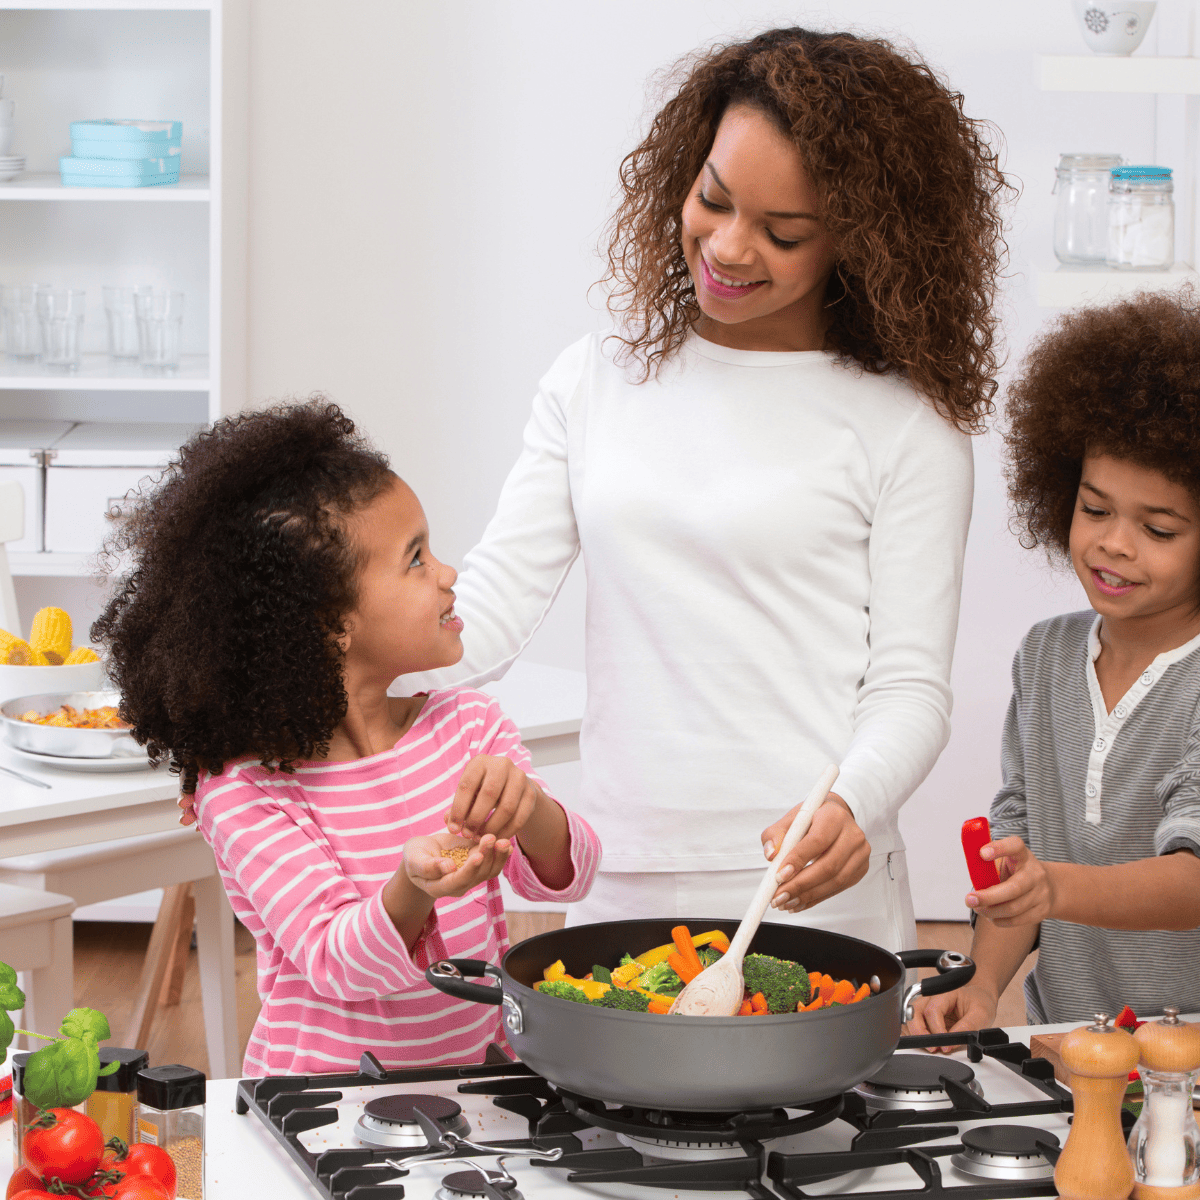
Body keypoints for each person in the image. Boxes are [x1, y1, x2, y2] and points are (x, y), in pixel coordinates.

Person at [388, 26, 1010, 950]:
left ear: (862, 239)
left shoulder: (907, 424)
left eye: (782, 232)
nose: (726, 246)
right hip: (618, 865)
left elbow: (910, 687)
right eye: (712, 199)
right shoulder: (595, 379)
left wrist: (852, 799)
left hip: (808, 876)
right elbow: (484, 618)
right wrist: (280, 710)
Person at [94, 400, 600, 1075]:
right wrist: (413, 886)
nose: (448, 574)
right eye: (415, 560)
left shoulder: (466, 728)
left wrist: (531, 809)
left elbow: (572, 876)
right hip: (322, 1108)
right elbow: (338, 961)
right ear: (331, 624)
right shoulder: (248, 791)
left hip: (485, 1084)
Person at [910, 291, 1200, 1042]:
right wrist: (981, 987)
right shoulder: (1046, 656)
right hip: (1071, 1042)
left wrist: (1052, 887)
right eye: (1095, 509)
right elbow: (1021, 852)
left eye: (1158, 527)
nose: (1114, 545)